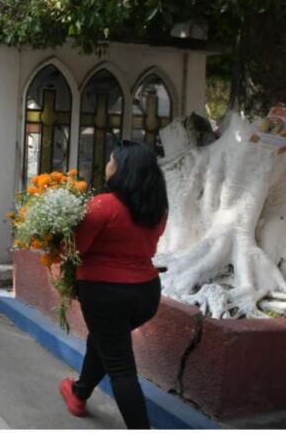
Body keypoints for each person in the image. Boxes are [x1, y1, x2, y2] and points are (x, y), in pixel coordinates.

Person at [58, 140, 168, 429]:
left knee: (121, 367)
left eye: (111, 160)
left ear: (123, 169)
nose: (107, 165)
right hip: (146, 294)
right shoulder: (157, 209)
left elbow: (75, 250)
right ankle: (79, 393)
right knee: (105, 341)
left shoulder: (103, 205)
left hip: (106, 294)